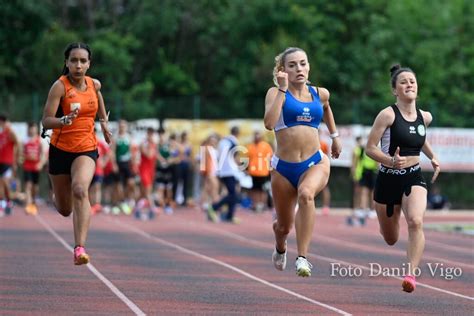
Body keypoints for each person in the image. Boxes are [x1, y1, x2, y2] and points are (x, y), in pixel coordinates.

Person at [264, 47, 342, 277]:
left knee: (307, 194)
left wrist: (335, 137)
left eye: (303, 63)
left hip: (314, 161)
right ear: (283, 71)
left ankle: (303, 257)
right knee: (283, 226)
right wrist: (281, 89)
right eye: (292, 65)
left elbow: (327, 108)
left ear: (309, 66)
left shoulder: (320, 93)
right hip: (284, 168)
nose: (299, 68)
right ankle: (280, 244)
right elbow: (269, 123)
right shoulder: (276, 93)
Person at [366, 64, 440, 293]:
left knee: (416, 221)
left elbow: (420, 136)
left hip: (413, 176)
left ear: (417, 87)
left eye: (412, 81)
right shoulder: (387, 115)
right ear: (394, 90)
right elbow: (370, 148)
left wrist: (433, 157)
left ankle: (410, 275)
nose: (409, 84)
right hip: (388, 179)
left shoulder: (424, 117)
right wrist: (389, 161)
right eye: (403, 82)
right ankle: (388, 219)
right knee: (390, 238)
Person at [41, 42, 112, 265]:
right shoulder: (59, 87)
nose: (78, 65)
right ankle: (57, 196)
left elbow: (98, 96)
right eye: (74, 60)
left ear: (89, 64)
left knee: (80, 189)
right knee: (64, 209)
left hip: (86, 148)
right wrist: (62, 121)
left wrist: (103, 122)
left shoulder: (94, 84)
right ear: (67, 63)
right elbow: (46, 121)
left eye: (83, 61)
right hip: (60, 150)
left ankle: (79, 248)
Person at [206, 126, 241, 224]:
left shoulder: (223, 141)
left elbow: (218, 156)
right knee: (233, 194)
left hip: (222, 171)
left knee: (232, 193)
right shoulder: (234, 142)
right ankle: (214, 207)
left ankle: (229, 215)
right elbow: (235, 157)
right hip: (230, 171)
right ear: (238, 133)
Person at [246, 130, 273, 212]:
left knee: (263, 189)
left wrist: (270, 169)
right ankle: (255, 204)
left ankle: (262, 205)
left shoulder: (266, 146)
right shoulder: (250, 146)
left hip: (263, 171)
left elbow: (270, 158)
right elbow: (248, 159)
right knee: (254, 189)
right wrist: (247, 169)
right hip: (253, 172)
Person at [23, 122, 46, 215]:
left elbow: (43, 154)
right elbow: (21, 153)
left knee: (35, 187)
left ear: (36, 129)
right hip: (27, 166)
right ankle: (28, 205)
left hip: (36, 167)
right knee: (28, 185)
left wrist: (40, 163)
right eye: (31, 128)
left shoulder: (39, 141)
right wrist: (26, 157)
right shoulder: (24, 140)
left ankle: (33, 202)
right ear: (28, 129)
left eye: (34, 128)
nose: (32, 130)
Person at [0, 114, 21, 216]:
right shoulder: (1, 133)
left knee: (4, 182)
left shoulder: (10, 132)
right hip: (1, 162)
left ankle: (5, 204)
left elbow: (17, 143)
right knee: (2, 184)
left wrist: (16, 159)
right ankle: (7, 203)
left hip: (8, 162)